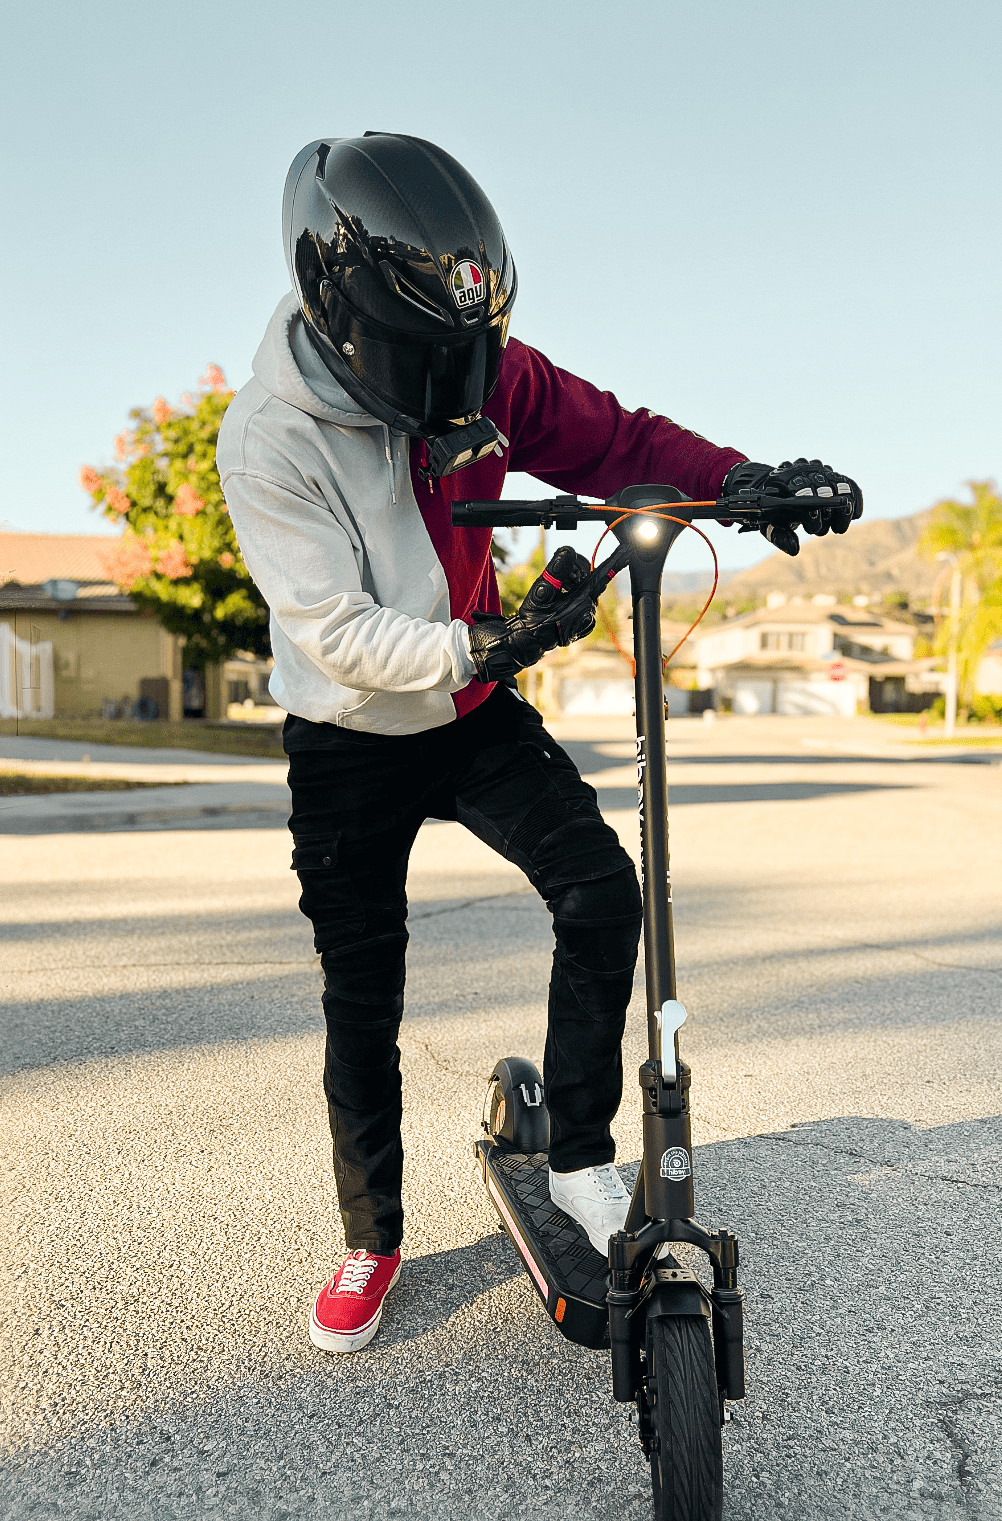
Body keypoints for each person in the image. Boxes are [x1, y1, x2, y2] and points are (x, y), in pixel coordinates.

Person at [218, 132, 862, 1354]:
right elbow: (338, 630)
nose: (467, 384)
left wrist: (745, 478)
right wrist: (491, 644)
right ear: (344, 317)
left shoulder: (479, 368)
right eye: (436, 360)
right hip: (352, 728)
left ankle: (577, 1156)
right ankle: (373, 1235)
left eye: (478, 351)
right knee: (363, 990)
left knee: (598, 886)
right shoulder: (268, 438)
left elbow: (615, 442)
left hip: (468, 704)